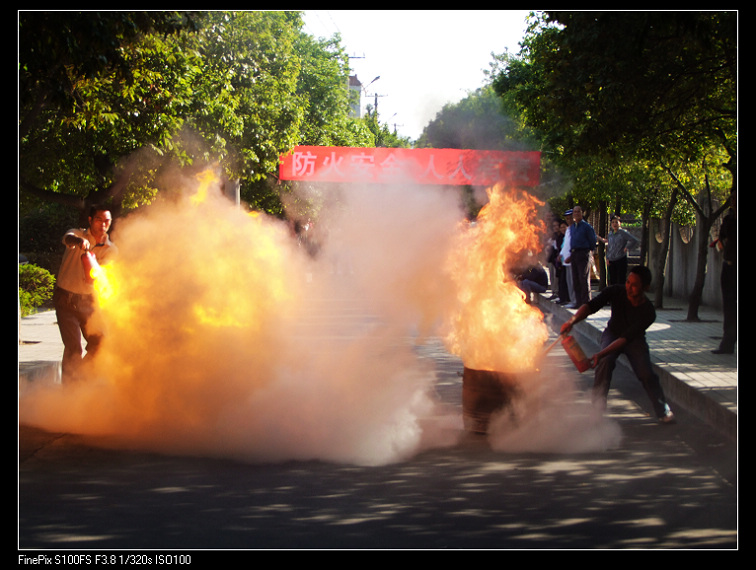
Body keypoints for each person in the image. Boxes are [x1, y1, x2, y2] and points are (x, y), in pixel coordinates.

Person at [560, 265, 675, 423]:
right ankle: (597, 411)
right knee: (606, 363)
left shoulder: (648, 312)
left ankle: (663, 411)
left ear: (645, 287)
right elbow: (591, 306)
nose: (629, 287)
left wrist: (599, 355)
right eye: (628, 282)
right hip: (612, 333)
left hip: (633, 339)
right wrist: (572, 321)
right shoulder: (616, 291)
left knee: (646, 373)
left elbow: (625, 339)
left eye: (634, 285)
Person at [53, 205, 118, 382]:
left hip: (88, 302)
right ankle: (69, 390)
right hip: (65, 299)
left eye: (107, 221)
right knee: (73, 348)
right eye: (99, 220)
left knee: (101, 343)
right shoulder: (77, 234)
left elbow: (103, 275)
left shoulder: (110, 249)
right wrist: (79, 242)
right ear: (90, 220)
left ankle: (80, 375)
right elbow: (67, 238)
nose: (103, 224)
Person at [712, 192, 737, 354]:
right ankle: (727, 343)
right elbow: (721, 238)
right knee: (729, 305)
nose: (733, 202)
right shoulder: (729, 219)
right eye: (732, 200)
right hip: (729, 265)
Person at [566, 205, 597, 306]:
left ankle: (586, 303)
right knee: (575, 279)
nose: (576, 214)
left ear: (582, 213)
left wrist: (588, 252)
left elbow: (592, 240)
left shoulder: (587, 227)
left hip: (583, 253)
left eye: (578, 212)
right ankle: (578, 302)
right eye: (574, 212)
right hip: (574, 253)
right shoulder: (572, 227)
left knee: (583, 278)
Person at [599, 216, 639, 286]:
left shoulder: (623, 233)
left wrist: (627, 247)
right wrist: (608, 257)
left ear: (619, 223)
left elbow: (634, 240)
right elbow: (610, 246)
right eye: (613, 222)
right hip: (611, 260)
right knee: (612, 281)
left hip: (620, 258)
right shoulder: (610, 234)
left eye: (616, 222)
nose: (614, 224)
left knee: (621, 280)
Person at [558, 209, 575, 306]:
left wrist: (571, 256)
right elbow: (565, 245)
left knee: (574, 281)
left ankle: (576, 301)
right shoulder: (569, 230)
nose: (568, 220)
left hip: (573, 259)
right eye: (567, 218)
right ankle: (572, 300)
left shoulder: (576, 228)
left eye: (570, 218)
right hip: (566, 260)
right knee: (569, 281)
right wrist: (561, 254)